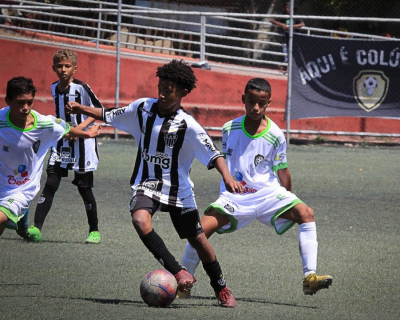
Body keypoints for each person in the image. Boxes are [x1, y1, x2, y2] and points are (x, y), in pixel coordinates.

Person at [65, 59, 243, 308]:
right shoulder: (142, 109)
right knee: (139, 219)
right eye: (160, 86)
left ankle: (221, 287)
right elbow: (109, 114)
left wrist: (227, 177)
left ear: (182, 92)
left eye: (168, 89)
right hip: (146, 183)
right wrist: (81, 108)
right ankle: (178, 271)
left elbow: (214, 154)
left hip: (178, 190)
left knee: (199, 240)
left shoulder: (187, 125)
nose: (161, 92)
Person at [179, 78, 333, 298]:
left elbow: (282, 170)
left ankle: (310, 277)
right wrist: (229, 181)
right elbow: (225, 160)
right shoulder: (229, 128)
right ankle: (184, 283)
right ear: (243, 99)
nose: (255, 107)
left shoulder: (276, 135)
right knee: (199, 231)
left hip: (268, 194)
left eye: (261, 103)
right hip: (234, 197)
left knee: (306, 213)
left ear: (268, 103)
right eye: (251, 101)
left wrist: (289, 197)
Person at [0, 76, 100, 239]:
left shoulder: (43, 123)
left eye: (30, 102)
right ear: (8, 101)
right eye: (20, 102)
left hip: (21, 189)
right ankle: (22, 219)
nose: (26, 108)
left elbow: (66, 129)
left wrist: (88, 133)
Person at [26, 49, 104, 244]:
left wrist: (80, 129)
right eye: (59, 66)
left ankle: (94, 231)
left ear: (74, 69)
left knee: (84, 188)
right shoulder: (54, 88)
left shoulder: (81, 88)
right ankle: (36, 228)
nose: (63, 69)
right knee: (51, 182)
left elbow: (98, 111)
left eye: (67, 66)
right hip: (61, 143)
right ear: (54, 68)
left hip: (83, 144)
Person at [270, 1, 305, 72]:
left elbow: (302, 24)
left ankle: (288, 67)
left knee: (293, 53)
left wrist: (292, 27)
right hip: (285, 37)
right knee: (286, 54)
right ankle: (285, 66)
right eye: (286, 8)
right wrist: (281, 24)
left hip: (294, 38)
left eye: (289, 8)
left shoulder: (295, 16)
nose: (287, 9)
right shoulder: (284, 15)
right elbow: (272, 20)